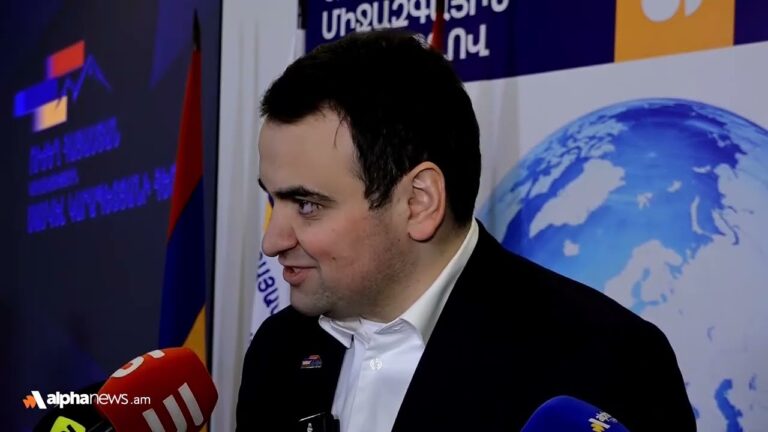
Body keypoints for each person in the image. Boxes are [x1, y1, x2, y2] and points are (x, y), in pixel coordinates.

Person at [236, 29, 696, 432]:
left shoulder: (604, 360)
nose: (272, 242)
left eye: (307, 205)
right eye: (273, 200)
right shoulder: (278, 351)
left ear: (419, 202)